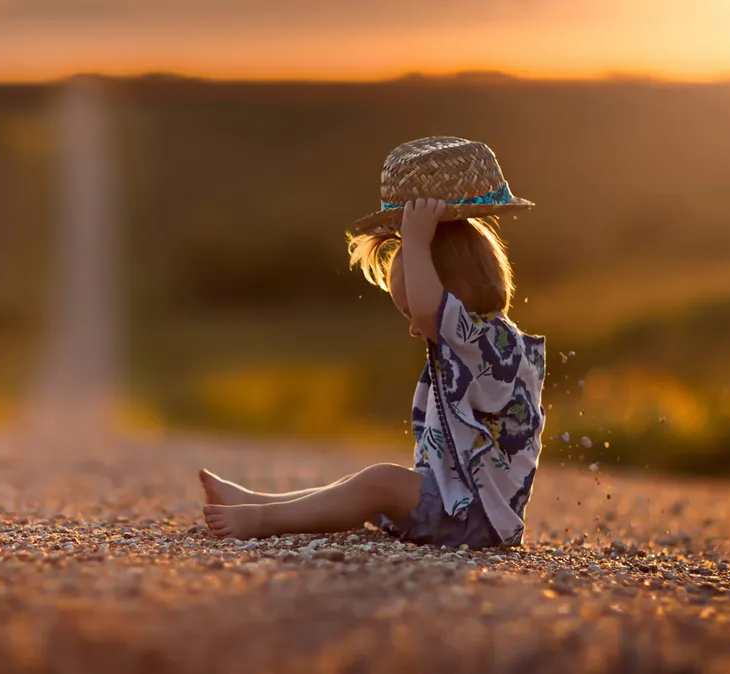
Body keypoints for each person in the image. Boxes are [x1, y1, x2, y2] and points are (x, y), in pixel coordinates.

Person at [201, 137, 547, 549]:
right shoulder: (489, 338)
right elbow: (428, 310)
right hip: (464, 508)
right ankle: (261, 502)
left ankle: (262, 519)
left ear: (451, 289)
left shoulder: (485, 340)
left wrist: (416, 241)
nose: (415, 326)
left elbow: (427, 310)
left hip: (474, 519)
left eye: (409, 313)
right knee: (364, 482)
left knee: (378, 481)